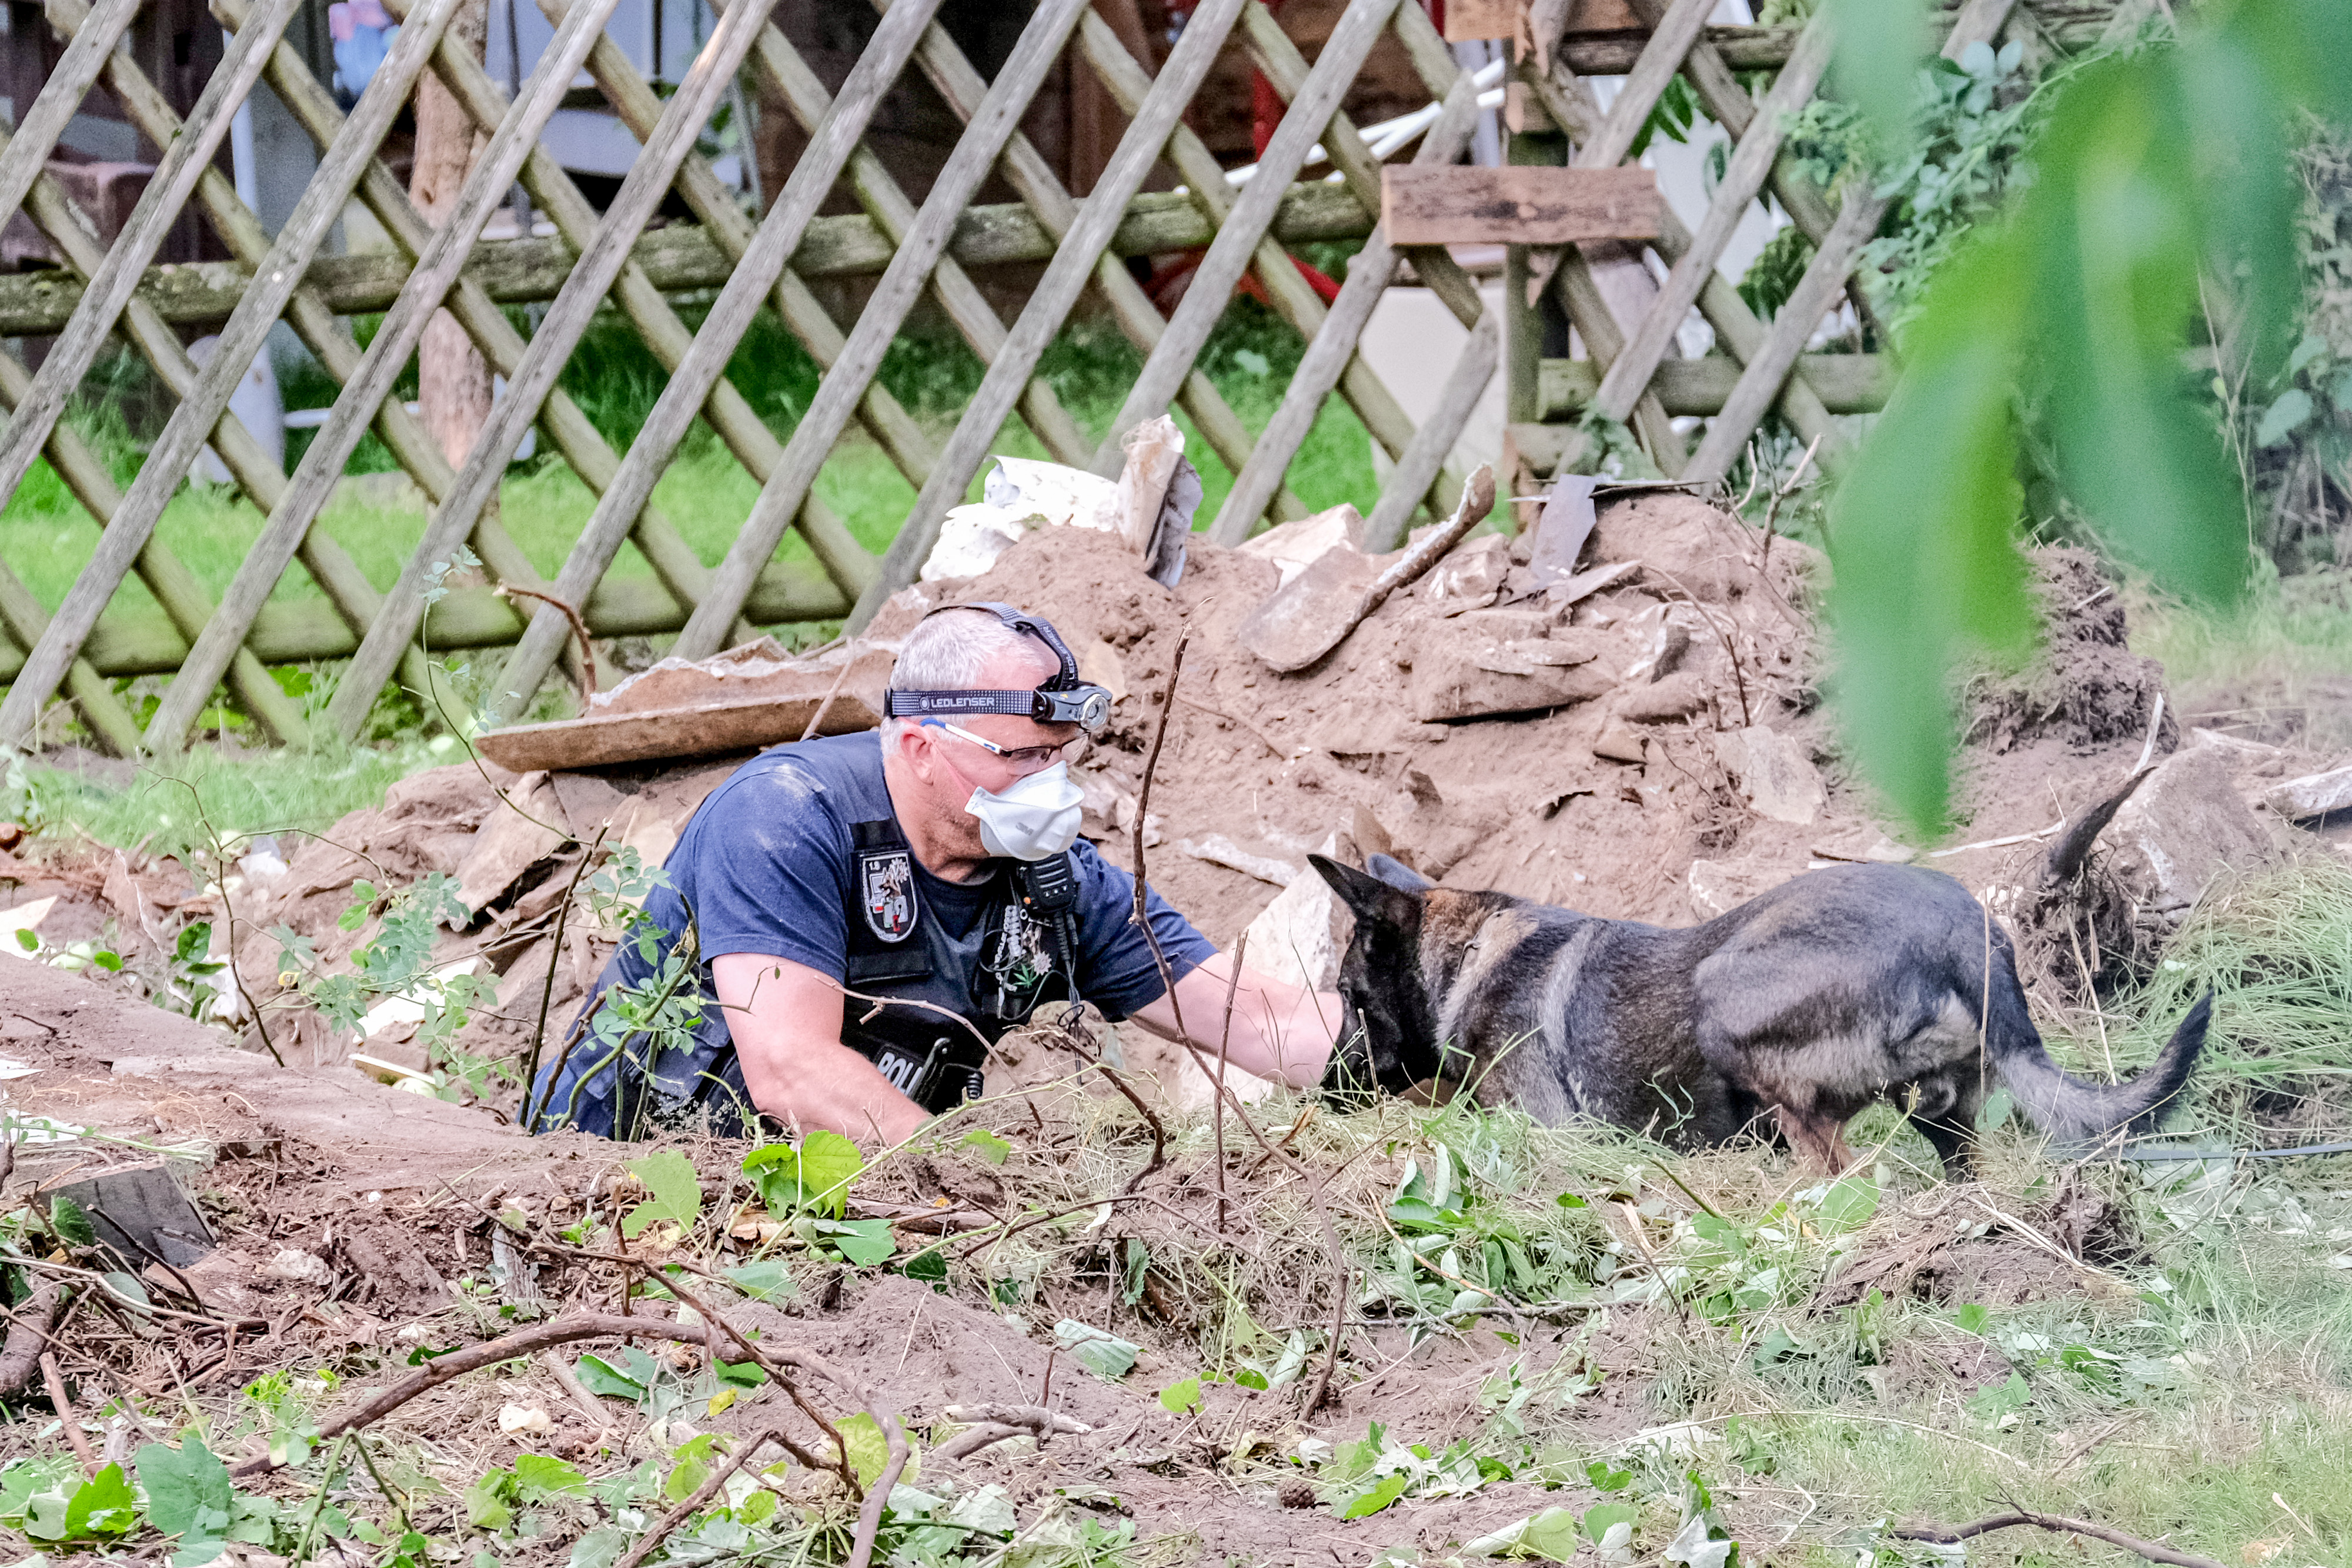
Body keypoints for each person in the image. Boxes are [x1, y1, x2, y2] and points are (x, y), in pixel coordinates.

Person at [528, 602, 1338, 1143]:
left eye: (1059, 758)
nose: (1050, 788)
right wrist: (959, 1186)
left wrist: (1435, 1037)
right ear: (919, 747)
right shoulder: (786, 815)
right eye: (1021, 758)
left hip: (845, 1214)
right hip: (625, 1204)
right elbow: (788, 1068)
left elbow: (1261, 1020)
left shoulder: (1054, 882)